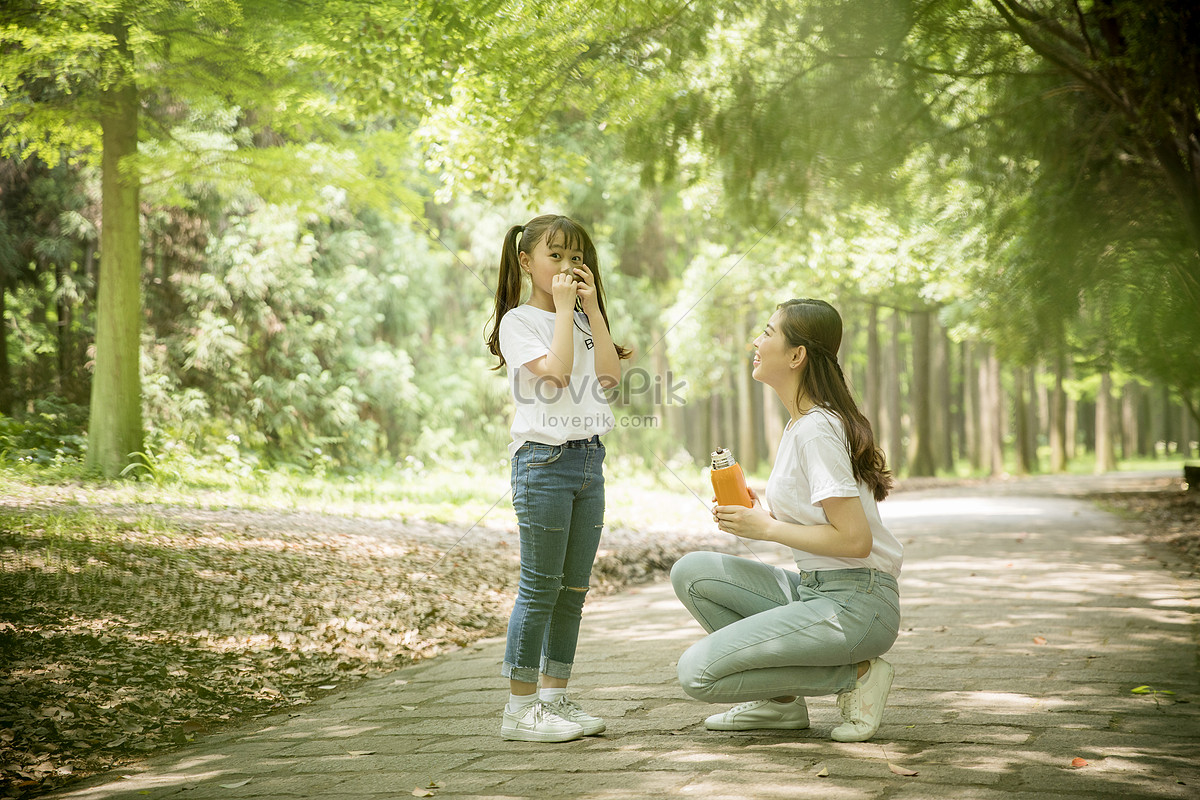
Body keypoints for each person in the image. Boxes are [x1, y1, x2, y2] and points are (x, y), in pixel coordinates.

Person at [671, 298, 902, 743]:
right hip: (816, 589)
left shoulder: (817, 429)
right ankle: (779, 706)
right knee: (693, 572)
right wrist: (765, 513)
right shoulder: (802, 425)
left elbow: (855, 540)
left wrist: (767, 529)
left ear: (797, 356)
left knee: (697, 674)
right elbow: (823, 517)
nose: (754, 342)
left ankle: (856, 675)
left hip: (858, 604)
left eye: (768, 333)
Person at [485, 214, 630, 742]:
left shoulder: (585, 319)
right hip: (543, 463)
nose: (569, 267)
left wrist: (589, 308)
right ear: (526, 263)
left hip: (589, 459)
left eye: (577, 257)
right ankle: (519, 710)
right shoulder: (518, 322)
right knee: (540, 588)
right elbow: (559, 373)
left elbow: (611, 379)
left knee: (573, 590)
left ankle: (554, 699)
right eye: (556, 256)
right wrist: (568, 310)